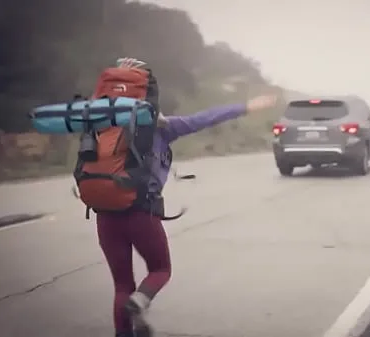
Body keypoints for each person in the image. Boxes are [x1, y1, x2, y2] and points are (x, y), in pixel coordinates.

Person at [95, 80, 278, 336]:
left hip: (104, 214)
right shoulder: (163, 128)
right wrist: (245, 107)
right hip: (141, 212)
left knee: (122, 284)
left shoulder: (101, 127)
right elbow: (206, 118)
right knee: (160, 269)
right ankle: (140, 301)